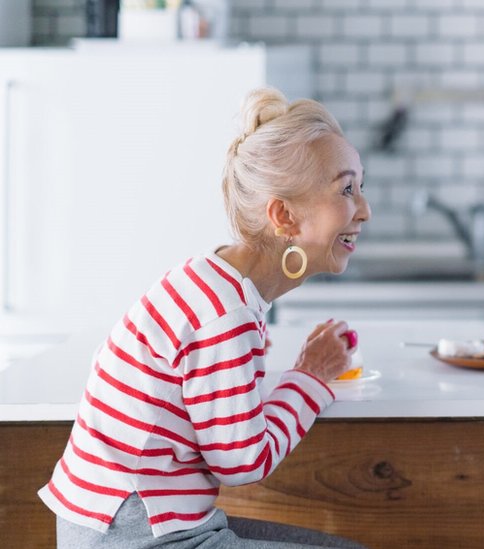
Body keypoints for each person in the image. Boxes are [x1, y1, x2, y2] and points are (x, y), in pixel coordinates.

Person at [38, 87, 372, 548]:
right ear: (284, 216)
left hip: (133, 525)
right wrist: (310, 376)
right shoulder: (226, 313)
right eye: (347, 189)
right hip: (141, 536)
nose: (365, 210)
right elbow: (243, 463)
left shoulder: (213, 280)